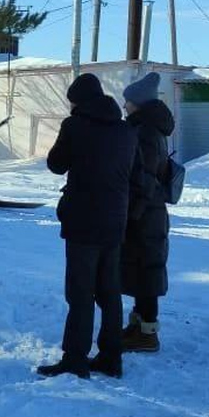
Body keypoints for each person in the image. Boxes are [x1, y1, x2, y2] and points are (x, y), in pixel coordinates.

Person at [38, 74, 139, 380]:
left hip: (83, 220)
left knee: (80, 292)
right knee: (109, 291)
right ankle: (111, 357)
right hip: (115, 219)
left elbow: (56, 164)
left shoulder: (75, 126)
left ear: (77, 101)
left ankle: (75, 358)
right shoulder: (125, 130)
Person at [121, 72, 175, 353]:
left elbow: (144, 177)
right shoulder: (152, 128)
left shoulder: (144, 132)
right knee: (143, 269)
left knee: (146, 271)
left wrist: (132, 213)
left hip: (145, 214)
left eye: (127, 101)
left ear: (139, 103)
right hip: (150, 212)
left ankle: (146, 333)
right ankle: (139, 325)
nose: (125, 106)